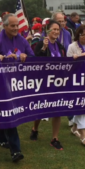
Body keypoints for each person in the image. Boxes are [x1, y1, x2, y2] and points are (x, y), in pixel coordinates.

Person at [0, 13, 34, 162]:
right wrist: (0, 59)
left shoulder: (22, 40)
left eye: (17, 25)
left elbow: (33, 57)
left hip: (18, 84)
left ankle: (1, 138)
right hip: (1, 83)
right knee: (10, 113)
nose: (15, 28)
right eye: (12, 26)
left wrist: (26, 57)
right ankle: (16, 150)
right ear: (5, 26)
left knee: (9, 112)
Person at [30, 20, 67, 150]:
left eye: (58, 30)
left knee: (58, 109)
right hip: (44, 82)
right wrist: (44, 48)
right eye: (54, 29)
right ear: (48, 30)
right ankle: (35, 128)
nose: (56, 32)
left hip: (57, 82)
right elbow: (35, 61)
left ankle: (55, 138)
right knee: (42, 108)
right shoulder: (41, 43)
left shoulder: (61, 47)